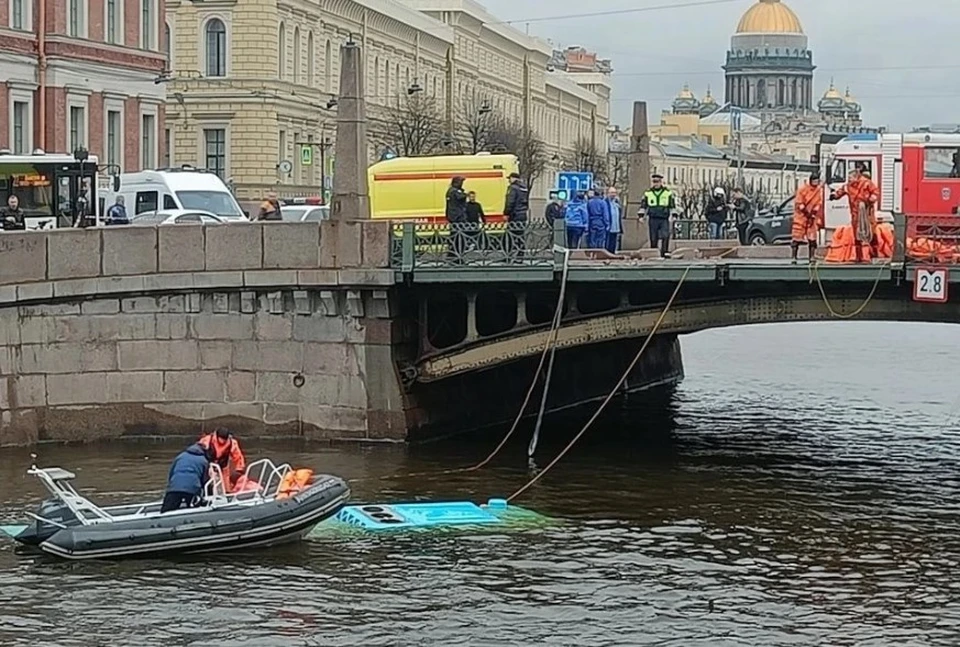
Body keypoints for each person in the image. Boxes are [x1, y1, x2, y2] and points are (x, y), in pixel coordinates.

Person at [830, 167, 879, 262]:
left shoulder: (866, 183)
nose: (849, 180)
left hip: (867, 212)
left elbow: (875, 192)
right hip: (855, 213)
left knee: (871, 233)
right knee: (857, 235)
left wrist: (871, 198)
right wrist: (834, 196)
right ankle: (858, 256)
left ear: (856, 177)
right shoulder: (848, 186)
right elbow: (840, 192)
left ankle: (874, 255)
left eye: (850, 178)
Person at [161, 442, 214, 513]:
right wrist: (210, 494)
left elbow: (171, 473)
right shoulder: (204, 461)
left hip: (174, 487)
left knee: (166, 510)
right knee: (195, 509)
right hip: (192, 488)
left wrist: (171, 486)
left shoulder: (180, 457)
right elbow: (205, 481)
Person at [638, 173, 676, 258]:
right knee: (653, 236)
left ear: (661, 182)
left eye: (657, 181)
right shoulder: (648, 193)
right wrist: (641, 216)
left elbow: (672, 205)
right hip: (653, 217)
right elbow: (643, 205)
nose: (656, 183)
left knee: (665, 235)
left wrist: (674, 216)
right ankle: (654, 252)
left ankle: (664, 252)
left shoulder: (667, 193)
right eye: (654, 182)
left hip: (664, 218)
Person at [791, 171, 825, 264]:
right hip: (801, 216)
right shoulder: (802, 190)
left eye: (817, 181)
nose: (816, 183)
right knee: (797, 236)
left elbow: (819, 203)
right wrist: (806, 213)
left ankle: (812, 257)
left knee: (812, 237)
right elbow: (799, 203)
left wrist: (813, 214)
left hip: (812, 217)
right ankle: (794, 257)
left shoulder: (818, 191)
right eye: (814, 181)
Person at [198, 427, 247, 491]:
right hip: (208, 466)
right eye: (222, 439)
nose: (223, 441)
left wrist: (239, 469)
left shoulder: (232, 443)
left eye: (225, 440)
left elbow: (238, 457)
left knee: (226, 486)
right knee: (205, 482)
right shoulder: (207, 440)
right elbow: (198, 451)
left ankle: (227, 494)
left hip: (223, 467)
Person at [605, 187, 622, 253]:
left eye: (615, 192)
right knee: (608, 242)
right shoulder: (605, 202)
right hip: (609, 226)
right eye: (612, 192)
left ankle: (612, 253)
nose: (613, 194)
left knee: (614, 242)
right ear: (608, 193)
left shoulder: (617, 203)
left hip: (616, 226)